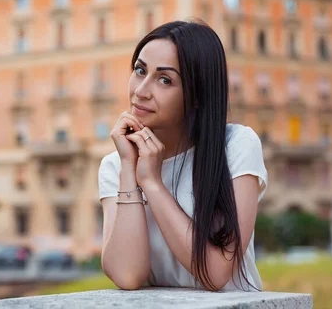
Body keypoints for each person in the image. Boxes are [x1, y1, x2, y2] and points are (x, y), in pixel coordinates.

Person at [98, 20, 268, 292]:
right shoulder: (115, 164)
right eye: (140, 70)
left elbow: (215, 271)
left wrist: (152, 183)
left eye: (165, 80)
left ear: (198, 94)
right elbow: (128, 275)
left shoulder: (236, 146)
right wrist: (129, 169)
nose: (141, 91)